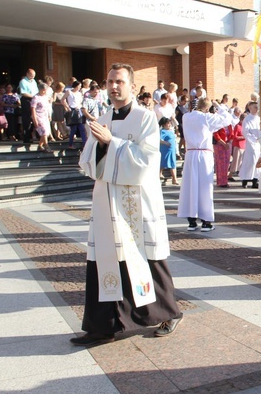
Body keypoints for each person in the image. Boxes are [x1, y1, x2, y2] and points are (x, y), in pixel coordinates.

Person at [71, 63, 183, 346]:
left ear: (132, 86)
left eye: (119, 81)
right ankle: (103, 326)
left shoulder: (145, 118)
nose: (113, 86)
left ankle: (169, 312)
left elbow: (147, 161)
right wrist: (101, 145)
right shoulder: (104, 117)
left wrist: (113, 142)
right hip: (107, 201)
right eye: (109, 81)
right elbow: (87, 162)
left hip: (136, 203)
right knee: (104, 262)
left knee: (148, 259)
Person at [177, 97, 234, 232]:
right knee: (204, 187)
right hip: (203, 155)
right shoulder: (207, 117)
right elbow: (227, 119)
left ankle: (191, 221)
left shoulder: (186, 117)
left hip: (190, 154)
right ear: (207, 108)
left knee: (190, 186)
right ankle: (206, 221)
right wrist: (218, 106)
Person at [239, 101, 261, 189]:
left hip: (258, 143)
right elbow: (245, 131)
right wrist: (253, 139)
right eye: (255, 107)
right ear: (250, 108)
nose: (257, 109)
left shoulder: (258, 118)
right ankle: (245, 180)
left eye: (257, 107)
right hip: (251, 143)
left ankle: (255, 180)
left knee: (257, 161)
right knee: (250, 162)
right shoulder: (247, 119)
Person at [65, 81, 87, 150]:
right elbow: (62, 100)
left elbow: (81, 102)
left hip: (79, 110)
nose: (80, 87)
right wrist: (68, 107)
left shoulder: (79, 93)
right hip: (72, 109)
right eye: (79, 86)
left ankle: (85, 144)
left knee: (82, 128)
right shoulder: (69, 92)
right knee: (73, 129)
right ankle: (70, 144)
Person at [212, 112, 233, 188]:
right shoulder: (218, 125)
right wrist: (224, 143)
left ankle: (225, 180)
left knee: (226, 163)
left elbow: (232, 134)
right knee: (221, 164)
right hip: (219, 145)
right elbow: (216, 135)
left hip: (228, 145)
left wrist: (229, 142)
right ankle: (221, 181)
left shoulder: (229, 125)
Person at [18, 68, 38, 145]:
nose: (32, 77)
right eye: (31, 75)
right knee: (26, 119)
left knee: (33, 117)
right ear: (27, 74)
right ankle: (26, 137)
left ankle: (32, 135)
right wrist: (33, 96)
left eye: (33, 76)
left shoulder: (34, 81)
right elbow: (23, 93)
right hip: (26, 100)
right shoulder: (23, 81)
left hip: (33, 99)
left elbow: (36, 91)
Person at [31, 82, 51, 152]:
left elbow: (48, 107)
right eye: (44, 90)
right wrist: (35, 119)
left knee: (47, 132)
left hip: (45, 116)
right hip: (38, 116)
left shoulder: (46, 97)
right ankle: (46, 146)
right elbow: (33, 109)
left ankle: (40, 145)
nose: (45, 91)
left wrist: (49, 115)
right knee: (44, 130)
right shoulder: (36, 97)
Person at [158, 117, 178, 185]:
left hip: (171, 150)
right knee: (163, 163)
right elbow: (159, 140)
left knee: (173, 164)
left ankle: (174, 179)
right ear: (163, 124)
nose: (169, 125)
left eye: (170, 123)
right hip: (165, 150)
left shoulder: (171, 131)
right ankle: (159, 175)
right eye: (168, 124)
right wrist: (165, 143)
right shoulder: (162, 131)